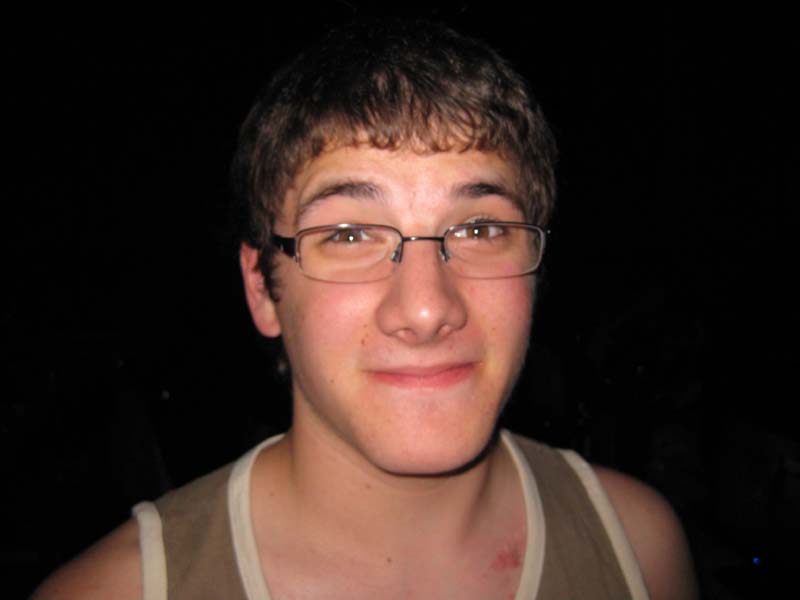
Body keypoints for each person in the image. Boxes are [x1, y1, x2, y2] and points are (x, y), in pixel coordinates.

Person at [32, 18, 698, 600]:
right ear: (262, 288)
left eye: (480, 229)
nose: (427, 310)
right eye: (349, 235)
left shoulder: (640, 549)